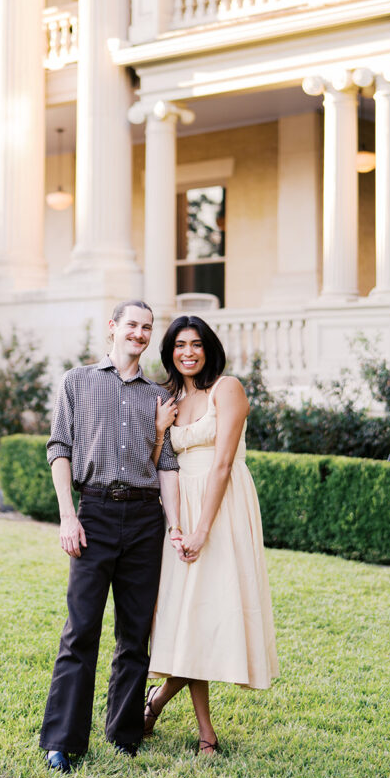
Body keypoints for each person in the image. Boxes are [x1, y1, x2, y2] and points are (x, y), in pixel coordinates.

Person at [40, 300, 180, 774]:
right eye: (132, 325)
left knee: (134, 634)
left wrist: (175, 524)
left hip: (144, 519)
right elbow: (59, 447)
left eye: (147, 328)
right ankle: (63, 741)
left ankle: (124, 735)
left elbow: (165, 464)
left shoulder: (158, 397)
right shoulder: (77, 382)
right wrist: (68, 516)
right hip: (94, 513)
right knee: (81, 630)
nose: (139, 334)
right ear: (113, 327)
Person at [143, 315, 278, 754]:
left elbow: (222, 464)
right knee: (188, 615)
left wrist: (202, 530)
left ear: (209, 348)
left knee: (209, 613)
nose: (188, 352)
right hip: (179, 511)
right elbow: (158, 464)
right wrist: (159, 430)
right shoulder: (169, 399)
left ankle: (158, 702)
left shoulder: (227, 388)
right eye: (180, 345)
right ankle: (206, 733)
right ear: (170, 352)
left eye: (196, 344)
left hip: (222, 510)